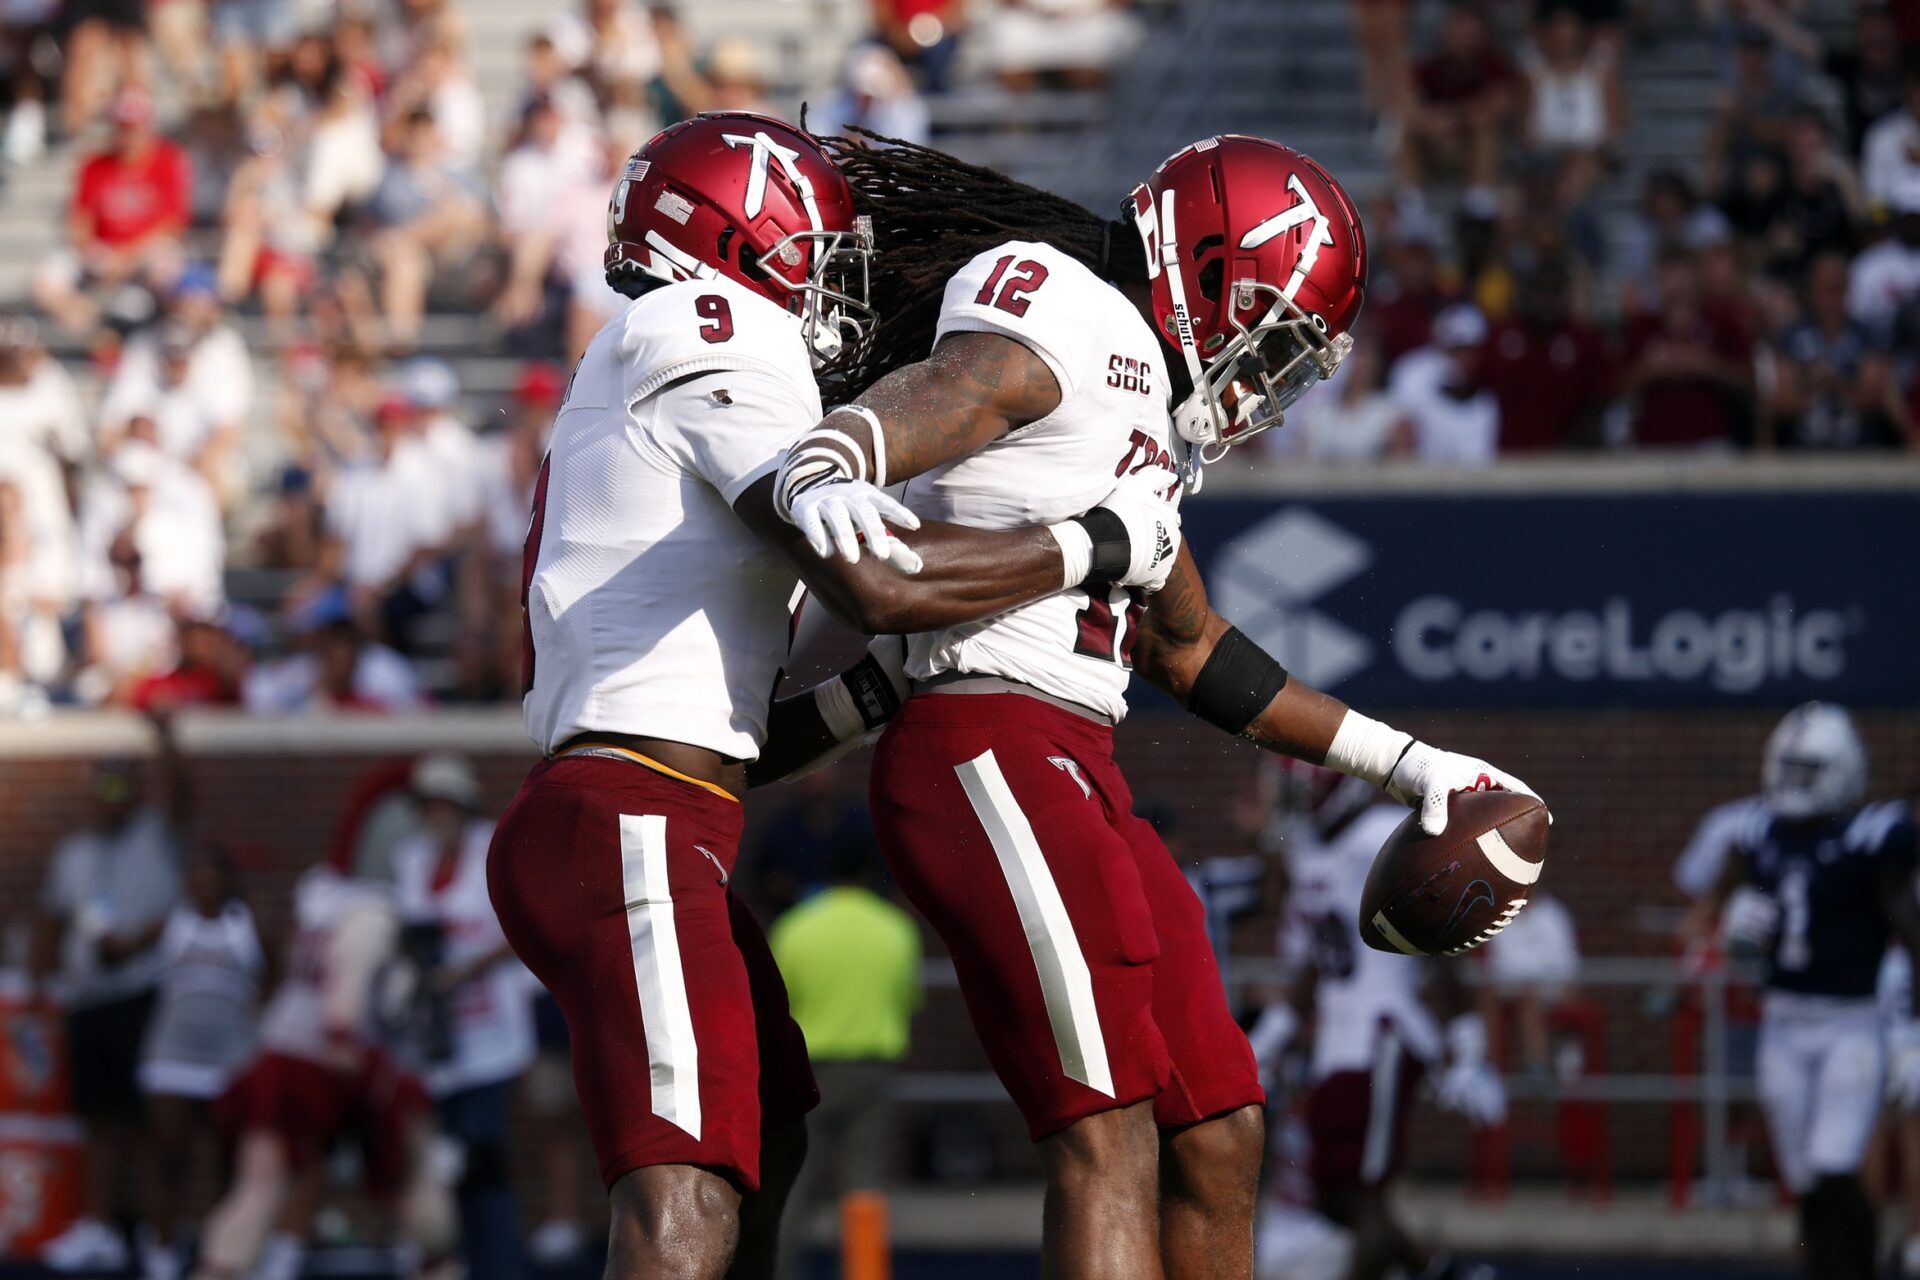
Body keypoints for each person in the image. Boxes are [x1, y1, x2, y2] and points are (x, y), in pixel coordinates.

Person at [773, 130, 1541, 1278]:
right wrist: (840, 451)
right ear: (1209, 271)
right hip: (985, 740)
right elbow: (963, 385)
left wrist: (1416, 765)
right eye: (1269, 337)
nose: (1265, 380)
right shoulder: (1073, 313)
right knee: (1107, 1126)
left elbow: (1192, 650)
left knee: (1220, 1126)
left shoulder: (1148, 416)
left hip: (1081, 763)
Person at [486, 111, 1185, 1280]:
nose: (828, 289)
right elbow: (864, 569)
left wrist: (876, 691)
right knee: (683, 1198)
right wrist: (1096, 541)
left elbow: (748, 739)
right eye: (814, 254)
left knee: (771, 1122)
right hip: (632, 814)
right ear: (739, 240)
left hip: (652, 805)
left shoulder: (658, 364)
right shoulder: (697, 323)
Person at [1690, 703, 1920, 1280]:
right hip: (1782, 1024)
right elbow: (1726, 927)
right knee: (1806, 1181)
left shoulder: (1874, 836)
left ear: (1842, 770)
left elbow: (1911, 929)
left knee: (1836, 1165)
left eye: (1807, 771)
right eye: (1787, 769)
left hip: (1850, 1024)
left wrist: (1915, 1030)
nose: (1792, 785)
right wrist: (1735, 933)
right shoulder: (1756, 832)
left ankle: (1860, 1272)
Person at [1264, 763, 1502, 1280]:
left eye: (1303, 788)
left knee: (1363, 1198)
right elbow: (1314, 956)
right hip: (1338, 1044)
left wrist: (1468, 1042)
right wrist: (1274, 1035)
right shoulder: (1307, 850)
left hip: (1383, 1035)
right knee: (1334, 1195)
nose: (1294, 799)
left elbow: (1438, 934)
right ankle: (1443, 1273)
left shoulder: (1379, 839)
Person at [188, 852, 457, 1280]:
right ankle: (437, 1262)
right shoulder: (370, 912)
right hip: (335, 1058)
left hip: (283, 1053)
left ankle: (219, 1267)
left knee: (260, 1184)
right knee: (410, 1168)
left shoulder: (319, 909)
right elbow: (348, 983)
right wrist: (343, 1036)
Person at [31, 732, 187, 1274]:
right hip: (86, 1000)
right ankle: (100, 1229)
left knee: (148, 1126)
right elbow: (51, 916)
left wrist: (166, 739)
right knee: (97, 1121)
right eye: (102, 787)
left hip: (143, 997)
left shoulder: (155, 836)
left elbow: (180, 796)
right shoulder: (72, 852)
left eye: (120, 787)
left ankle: (160, 1242)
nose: (109, 798)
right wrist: (38, 984)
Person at [391, 754, 535, 1280]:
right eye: (428, 805)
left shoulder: (491, 852)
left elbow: (522, 928)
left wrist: (465, 969)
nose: (436, 814)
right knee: (435, 1158)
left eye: (444, 803)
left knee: (480, 1154)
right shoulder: (410, 858)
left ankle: (498, 1264)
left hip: (489, 1032)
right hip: (432, 1036)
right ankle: (445, 1260)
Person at [768, 833, 922, 1272]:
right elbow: (907, 1000)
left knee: (793, 1183)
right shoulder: (896, 929)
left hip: (806, 1074)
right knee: (864, 1187)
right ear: (871, 875)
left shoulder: (796, 926)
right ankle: (865, 1272)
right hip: (872, 1070)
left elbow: (777, 1005)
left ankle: (778, 1270)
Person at [135, 844, 270, 1280]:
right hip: (172, 1054)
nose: (202, 885)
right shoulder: (172, 923)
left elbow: (277, 978)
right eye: (195, 877)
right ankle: (160, 1249)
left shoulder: (248, 928)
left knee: (227, 1160)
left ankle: (222, 1252)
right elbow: (119, 949)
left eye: (210, 877)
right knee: (170, 1152)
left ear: (228, 881)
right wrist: (99, 933)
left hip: (230, 1058)